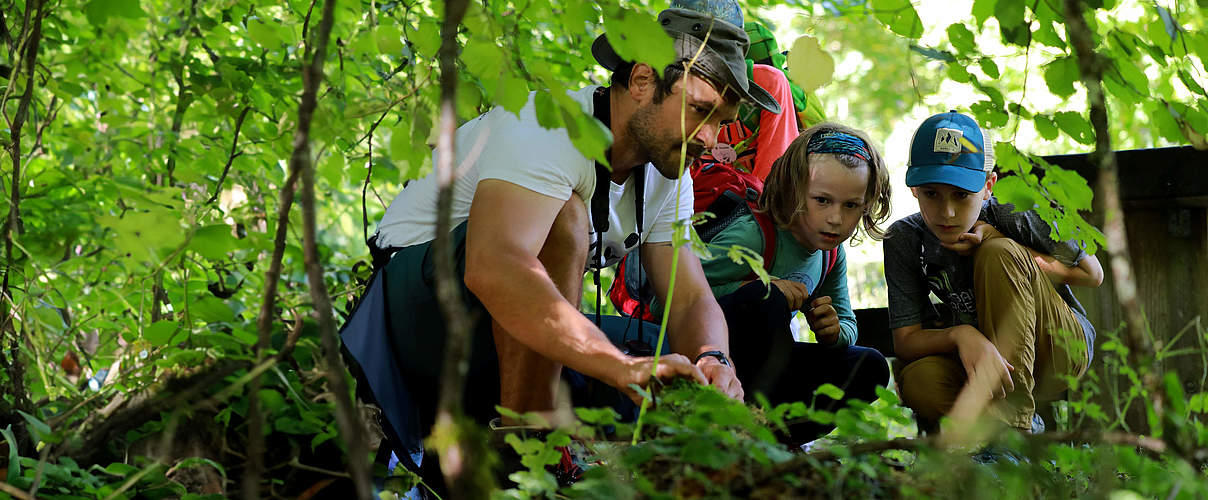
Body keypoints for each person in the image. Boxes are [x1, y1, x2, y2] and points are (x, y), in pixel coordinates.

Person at [344, 0, 783, 481]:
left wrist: (712, 360)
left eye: (722, 119)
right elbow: (495, 266)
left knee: (707, 352)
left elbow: (689, 296)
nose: (710, 137)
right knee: (567, 220)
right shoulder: (548, 125)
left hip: (503, 332)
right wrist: (616, 366)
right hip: (411, 316)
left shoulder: (668, 171)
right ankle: (525, 451)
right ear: (641, 80)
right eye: (700, 110)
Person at [883, 111, 1104, 434]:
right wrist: (961, 335)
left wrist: (1001, 241)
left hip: (1057, 346)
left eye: (961, 195)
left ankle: (1015, 432)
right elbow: (905, 342)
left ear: (988, 186)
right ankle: (1002, 434)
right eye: (932, 194)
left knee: (997, 253)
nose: (946, 212)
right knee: (920, 382)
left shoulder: (1012, 211)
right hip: (985, 357)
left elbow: (1091, 273)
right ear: (914, 188)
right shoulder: (904, 238)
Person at [697, 123, 893, 444]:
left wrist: (834, 332)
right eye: (822, 200)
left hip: (773, 370)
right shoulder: (754, 234)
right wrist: (762, 288)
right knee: (768, 299)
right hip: (709, 357)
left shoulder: (829, 253)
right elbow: (672, 298)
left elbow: (846, 323)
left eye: (851, 205)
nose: (836, 218)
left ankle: (776, 441)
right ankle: (738, 431)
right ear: (793, 189)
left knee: (869, 366)